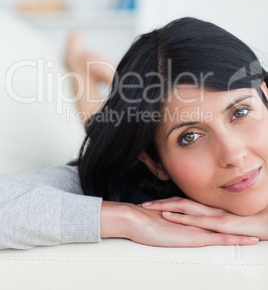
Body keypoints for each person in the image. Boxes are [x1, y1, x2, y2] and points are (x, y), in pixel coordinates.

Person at [1, 17, 267, 250]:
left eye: (240, 113)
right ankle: (84, 66)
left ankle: (101, 70)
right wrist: (127, 218)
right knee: (102, 127)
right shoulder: (131, 174)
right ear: (154, 163)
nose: (233, 154)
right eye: (189, 137)